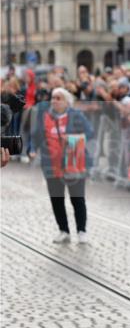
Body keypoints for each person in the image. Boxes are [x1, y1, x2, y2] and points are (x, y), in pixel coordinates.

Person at [30, 88, 94, 244]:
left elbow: (90, 132)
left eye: (58, 98)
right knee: (57, 199)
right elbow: (36, 135)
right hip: (52, 164)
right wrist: (31, 149)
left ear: (66, 101)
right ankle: (63, 230)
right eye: (53, 98)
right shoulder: (45, 116)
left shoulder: (76, 115)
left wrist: (72, 137)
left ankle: (81, 231)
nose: (54, 101)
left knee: (77, 199)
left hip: (73, 162)